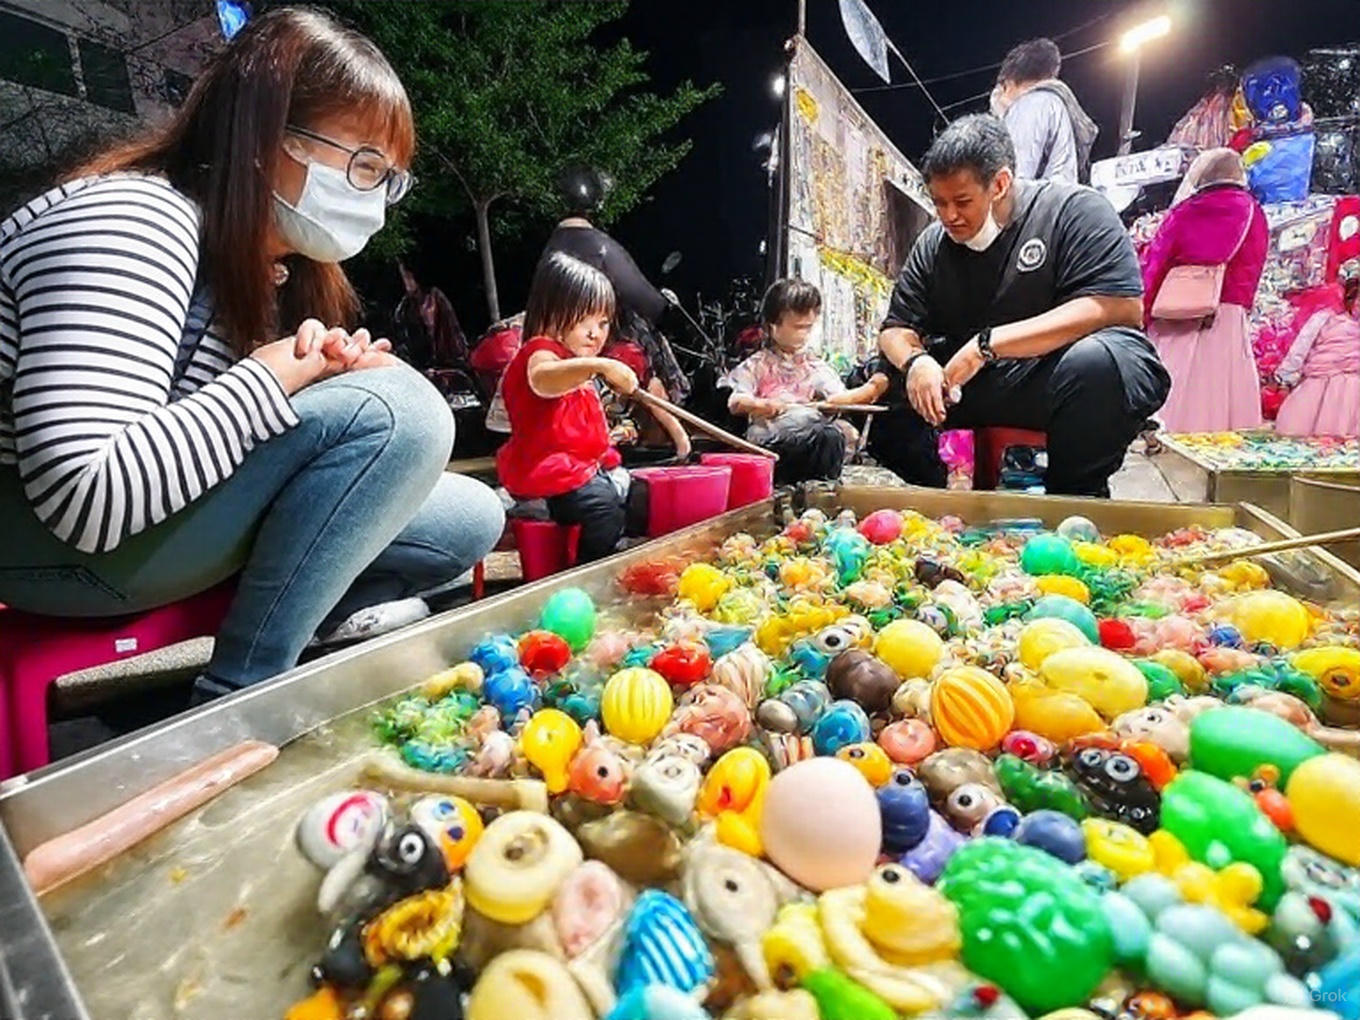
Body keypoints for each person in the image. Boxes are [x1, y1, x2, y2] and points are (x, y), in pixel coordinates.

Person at [0, 8, 505, 703]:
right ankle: (242, 698)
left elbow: (211, 437)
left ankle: (309, 634)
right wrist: (272, 378)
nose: (377, 199)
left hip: (140, 533)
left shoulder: (271, 266)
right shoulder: (132, 223)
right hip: (47, 547)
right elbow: (85, 494)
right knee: (402, 415)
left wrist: (324, 379)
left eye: (390, 178)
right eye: (362, 164)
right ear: (266, 141)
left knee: (469, 515)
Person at [871, 114, 1169, 496]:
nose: (949, 216)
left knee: (1100, 363)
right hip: (975, 386)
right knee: (890, 378)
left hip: (1054, 376)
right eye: (939, 203)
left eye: (962, 201)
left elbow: (1118, 306)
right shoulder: (933, 244)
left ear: (999, 183)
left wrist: (988, 345)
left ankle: (1074, 500)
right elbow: (896, 328)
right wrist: (917, 363)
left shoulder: (1073, 210)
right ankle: (931, 503)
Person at [496, 252, 639, 563]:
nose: (595, 332)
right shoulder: (541, 353)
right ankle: (586, 578)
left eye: (602, 323)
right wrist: (601, 365)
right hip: (545, 477)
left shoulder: (572, 363)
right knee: (604, 512)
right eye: (583, 319)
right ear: (552, 313)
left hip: (580, 471)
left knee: (640, 498)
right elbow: (541, 380)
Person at [540, 166, 691, 453]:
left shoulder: (551, 248)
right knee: (648, 356)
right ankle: (671, 439)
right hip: (598, 338)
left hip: (559, 333)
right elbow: (647, 300)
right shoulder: (601, 247)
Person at [1140, 148, 1268, 433]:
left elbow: (1155, 263)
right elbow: (1254, 266)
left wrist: (1143, 312)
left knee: (1169, 380)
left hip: (1175, 311)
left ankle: (1159, 435)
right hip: (1228, 313)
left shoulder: (1185, 212)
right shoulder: (1253, 213)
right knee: (1220, 386)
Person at [724, 279, 887, 484]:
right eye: (797, 327)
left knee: (833, 436)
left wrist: (872, 388)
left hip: (812, 441)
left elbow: (840, 399)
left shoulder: (814, 366)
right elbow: (736, 402)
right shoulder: (756, 365)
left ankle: (821, 492)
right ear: (773, 326)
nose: (804, 334)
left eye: (808, 328)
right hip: (772, 448)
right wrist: (762, 405)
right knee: (827, 438)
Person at [990, 38, 1098, 185]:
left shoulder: (1031, 104)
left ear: (1008, 84)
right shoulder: (1058, 105)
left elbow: (1013, 180)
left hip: (1035, 206)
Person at [1274, 289, 1360, 438]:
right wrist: (1286, 376)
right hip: (1320, 384)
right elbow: (1302, 345)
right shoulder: (1325, 317)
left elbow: (1301, 347)